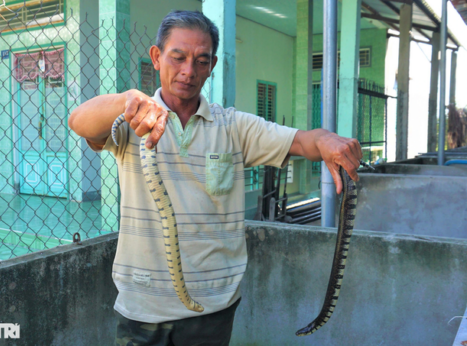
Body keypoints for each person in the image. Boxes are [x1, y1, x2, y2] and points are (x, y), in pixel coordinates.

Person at [69, 10, 362, 346]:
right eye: (178, 57)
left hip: (213, 309)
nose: (188, 71)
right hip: (143, 310)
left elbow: (301, 140)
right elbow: (79, 121)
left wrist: (325, 140)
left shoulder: (234, 127)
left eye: (202, 61)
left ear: (212, 66)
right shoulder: (130, 122)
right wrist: (126, 100)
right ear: (156, 56)